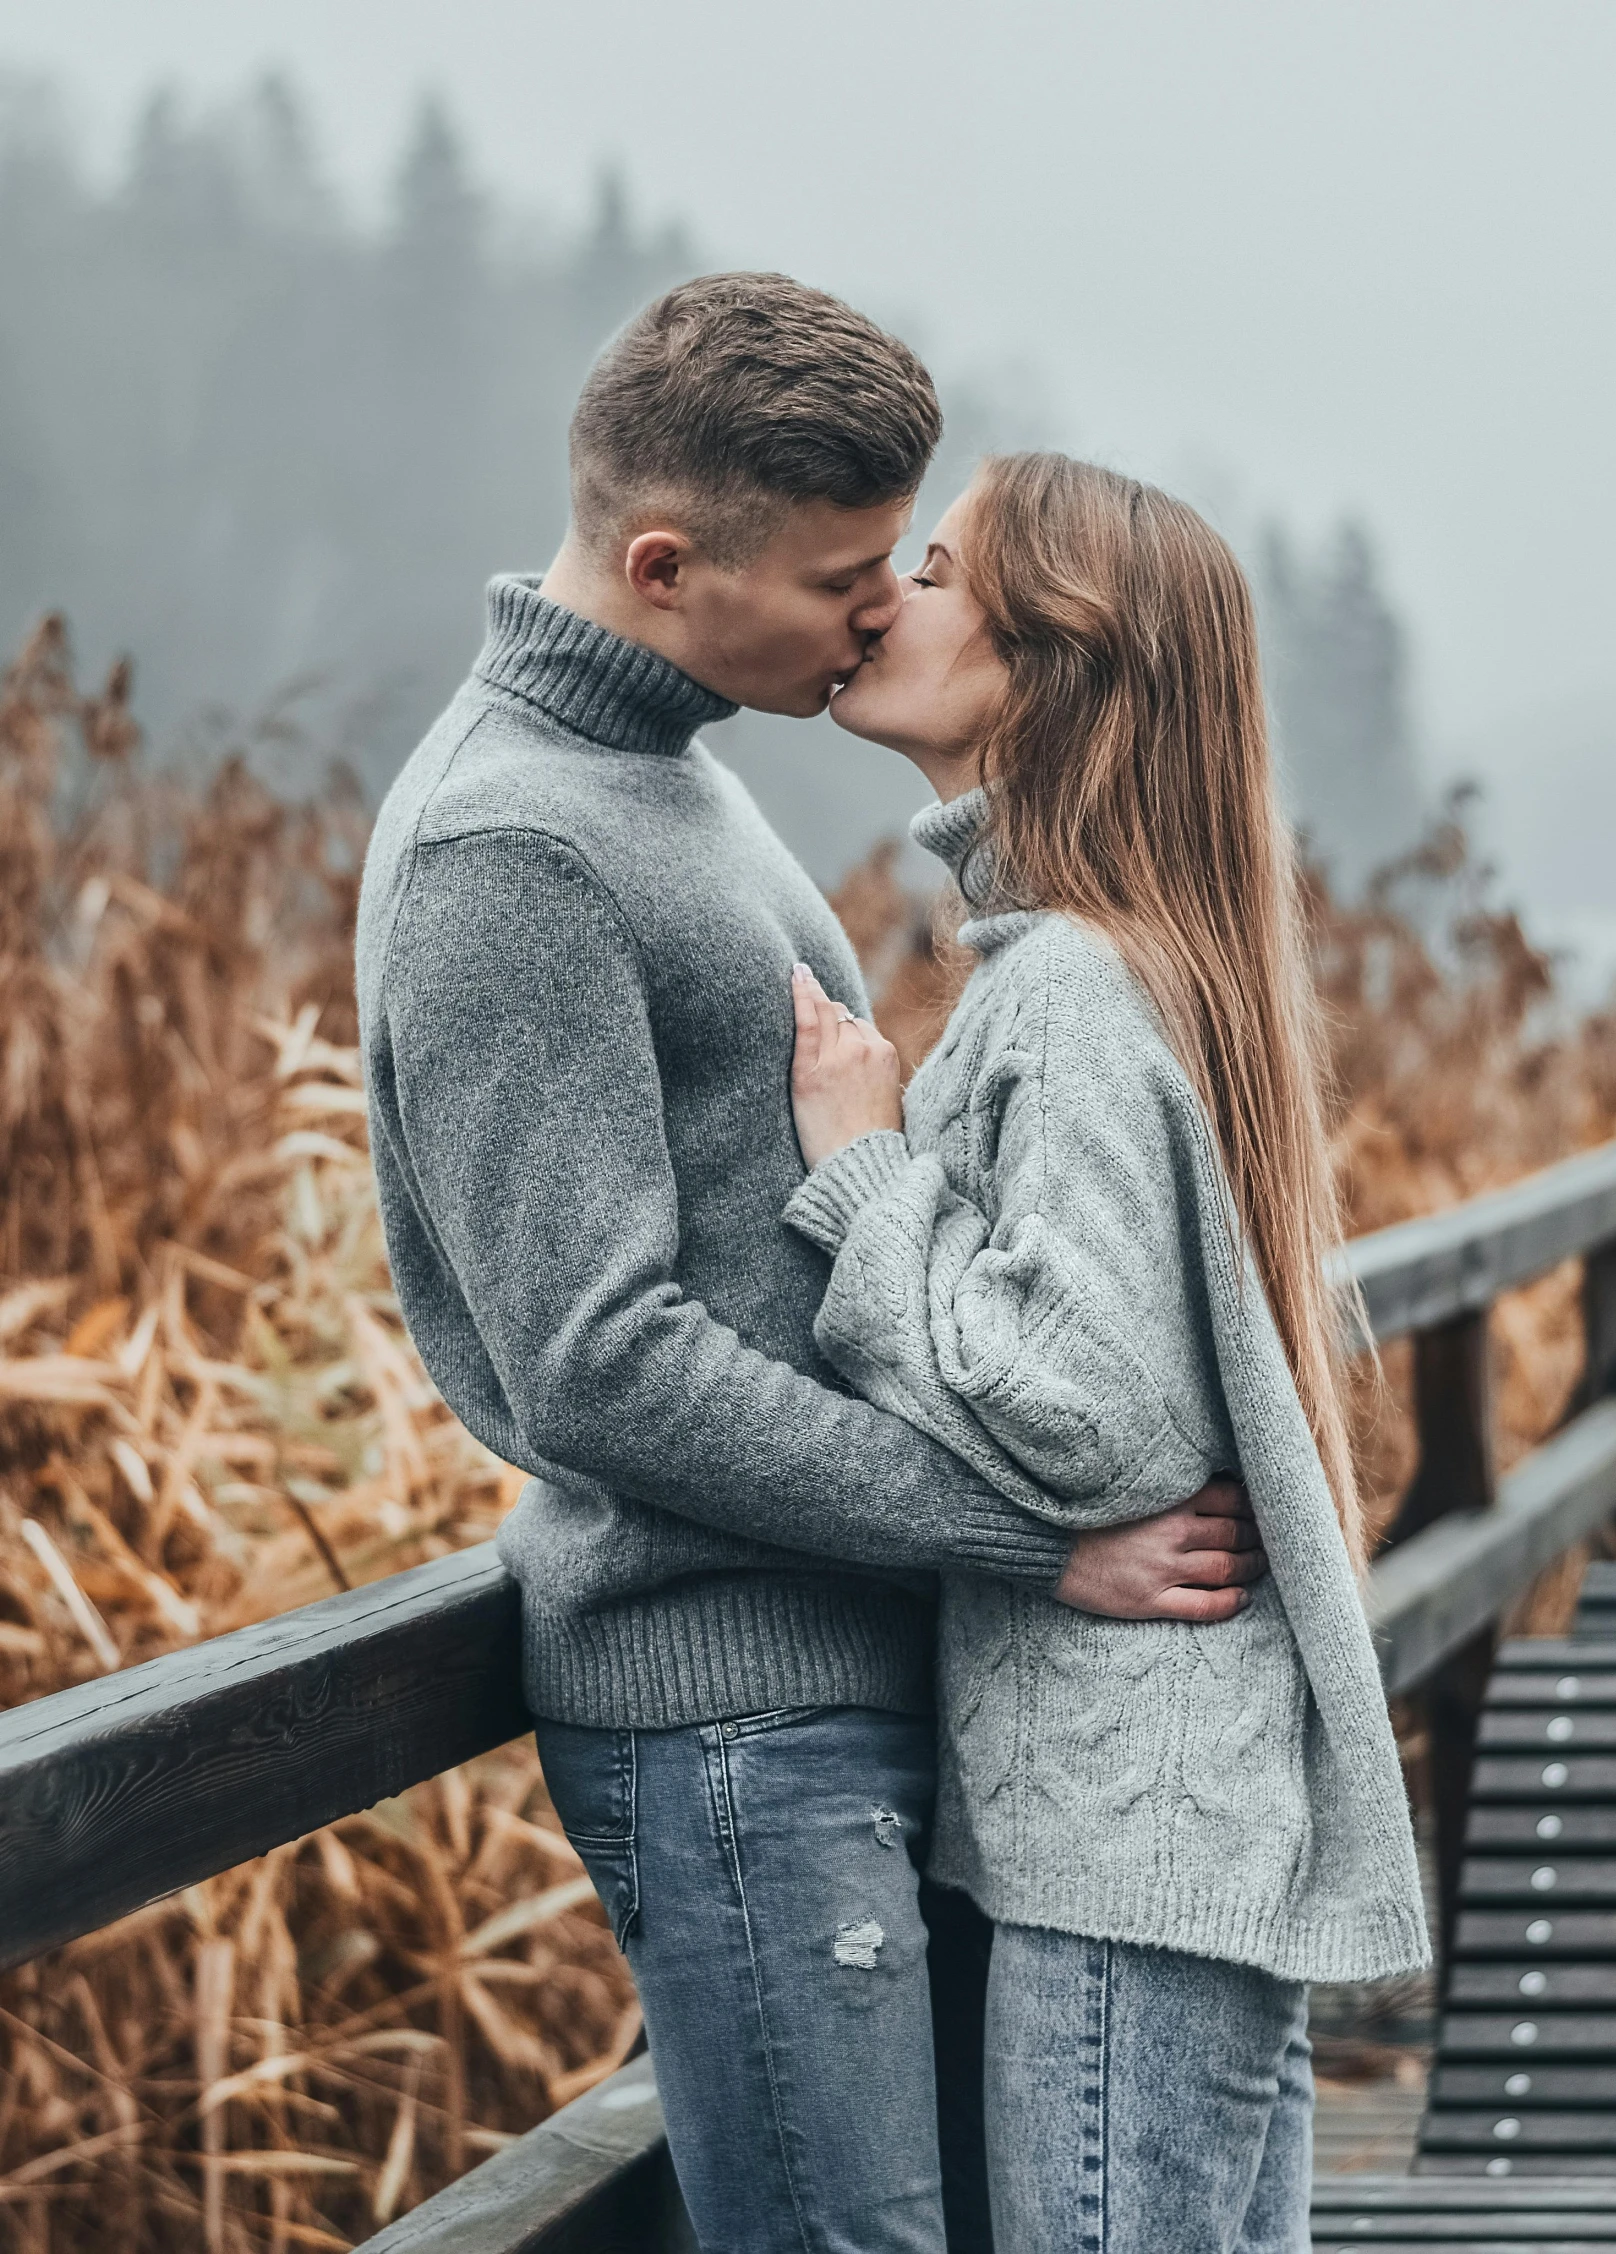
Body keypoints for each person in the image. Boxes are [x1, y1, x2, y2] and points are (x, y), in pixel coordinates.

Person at [355, 278, 1264, 2253]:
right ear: (667, 563)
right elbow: (600, 1361)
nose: (882, 613)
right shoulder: (504, 850)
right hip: (728, 1715)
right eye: (849, 576)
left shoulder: (681, 774)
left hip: (849, 1684)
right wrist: (1029, 1535)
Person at [785, 454, 1431, 2253]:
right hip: (1174, 1830)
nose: (879, 598)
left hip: (1130, 1851)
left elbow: (1088, 1415)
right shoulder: (1125, 962)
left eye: (932, 569)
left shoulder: (1065, 984)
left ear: (1046, 656)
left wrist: (864, 1174)